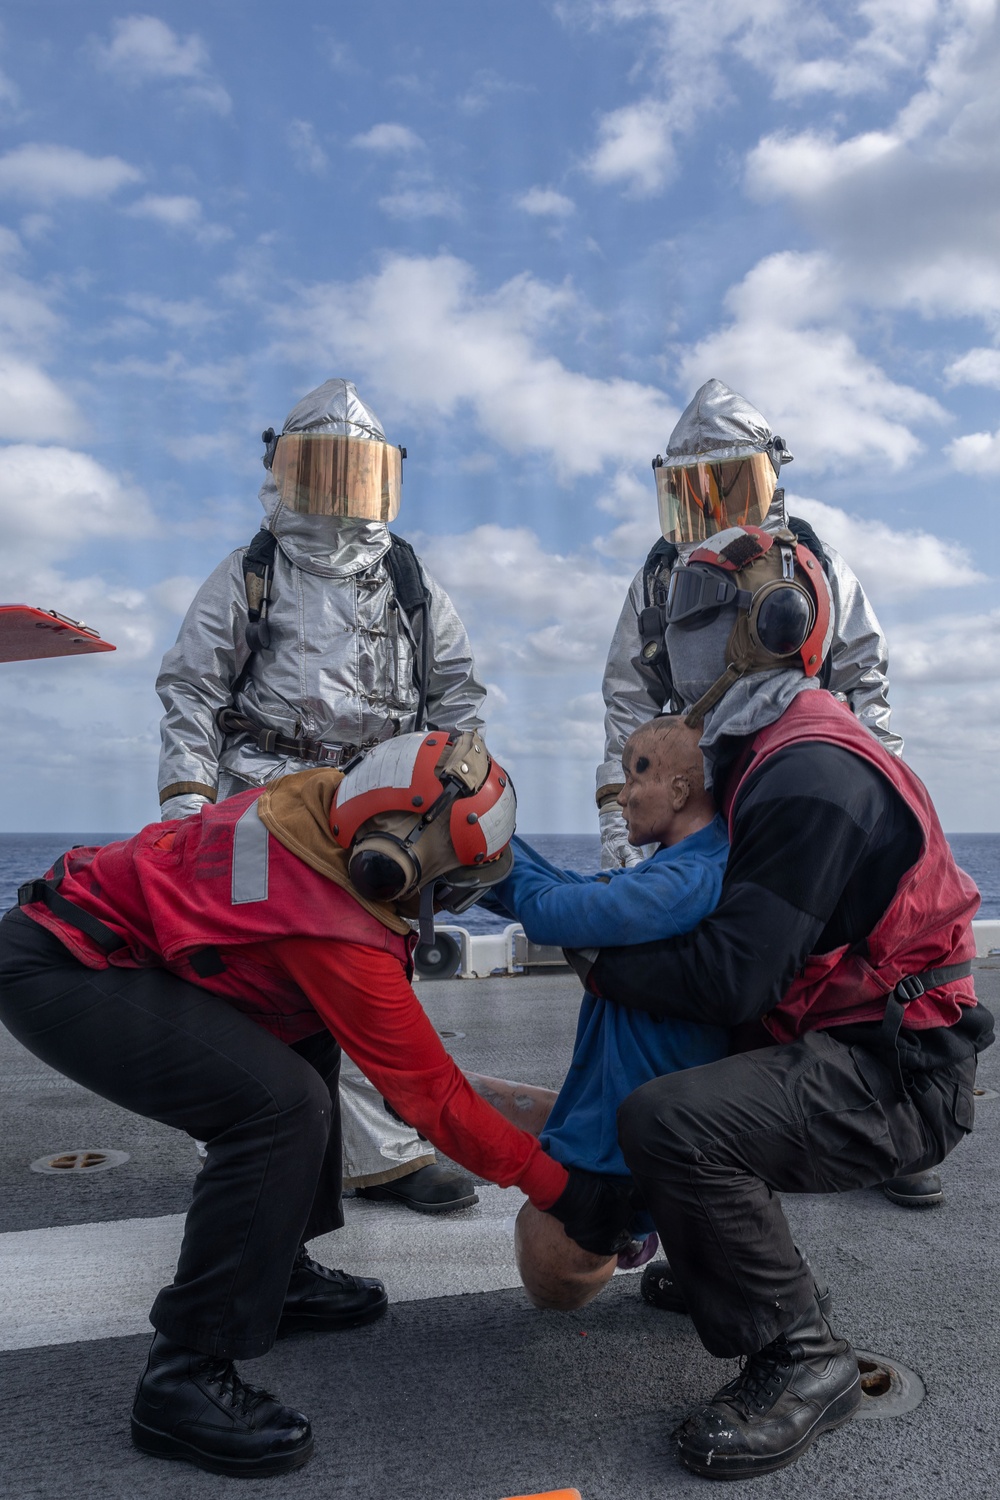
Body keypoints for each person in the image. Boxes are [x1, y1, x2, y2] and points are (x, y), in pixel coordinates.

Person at [0, 729, 632, 1478]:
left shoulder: (325, 810)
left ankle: (279, 1275)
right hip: (65, 966)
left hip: (112, 941)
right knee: (278, 1108)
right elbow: (431, 1097)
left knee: (305, 1032)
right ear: (388, 865)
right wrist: (565, 1193)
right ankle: (183, 1376)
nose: (450, 899)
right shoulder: (328, 922)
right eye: (450, 885)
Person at [570, 522, 992, 1480]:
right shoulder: (764, 748)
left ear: (773, 624)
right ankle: (720, 1262)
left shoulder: (810, 771)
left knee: (671, 1120)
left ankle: (802, 1354)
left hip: (900, 1073)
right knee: (666, 1065)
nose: (672, 639)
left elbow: (736, 979)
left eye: (696, 614)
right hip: (847, 1036)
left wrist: (596, 959)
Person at [597, 379, 939, 1215]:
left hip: (801, 781)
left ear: (769, 479)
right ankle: (716, 1139)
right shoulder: (656, 583)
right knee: (732, 971)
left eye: (731, 482)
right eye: (695, 487)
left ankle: (877, 1125)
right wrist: (624, 843)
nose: (713, 506)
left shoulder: (814, 565)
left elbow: (866, 688)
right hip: (703, 797)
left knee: (838, 957)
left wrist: (869, 816)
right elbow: (628, 714)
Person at [156, 377, 484, 1214]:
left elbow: (455, 696)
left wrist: (455, 802)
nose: (338, 491)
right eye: (321, 469)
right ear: (285, 471)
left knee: (372, 972)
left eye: (354, 471)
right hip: (263, 803)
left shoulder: (409, 578)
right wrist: (186, 805)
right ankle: (253, 1149)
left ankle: (386, 1156)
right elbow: (192, 687)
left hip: (377, 805)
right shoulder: (250, 572)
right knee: (249, 979)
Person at [468, 715, 729, 1310]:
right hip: (640, 1101)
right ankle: (555, 1121)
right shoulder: (684, 861)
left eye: (635, 776)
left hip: (639, 1144)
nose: (622, 794)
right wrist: (485, 847)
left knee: (550, 1273)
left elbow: (556, 911)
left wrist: (472, 827)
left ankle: (642, 1221)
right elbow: (575, 889)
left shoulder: (688, 880)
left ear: (681, 790)